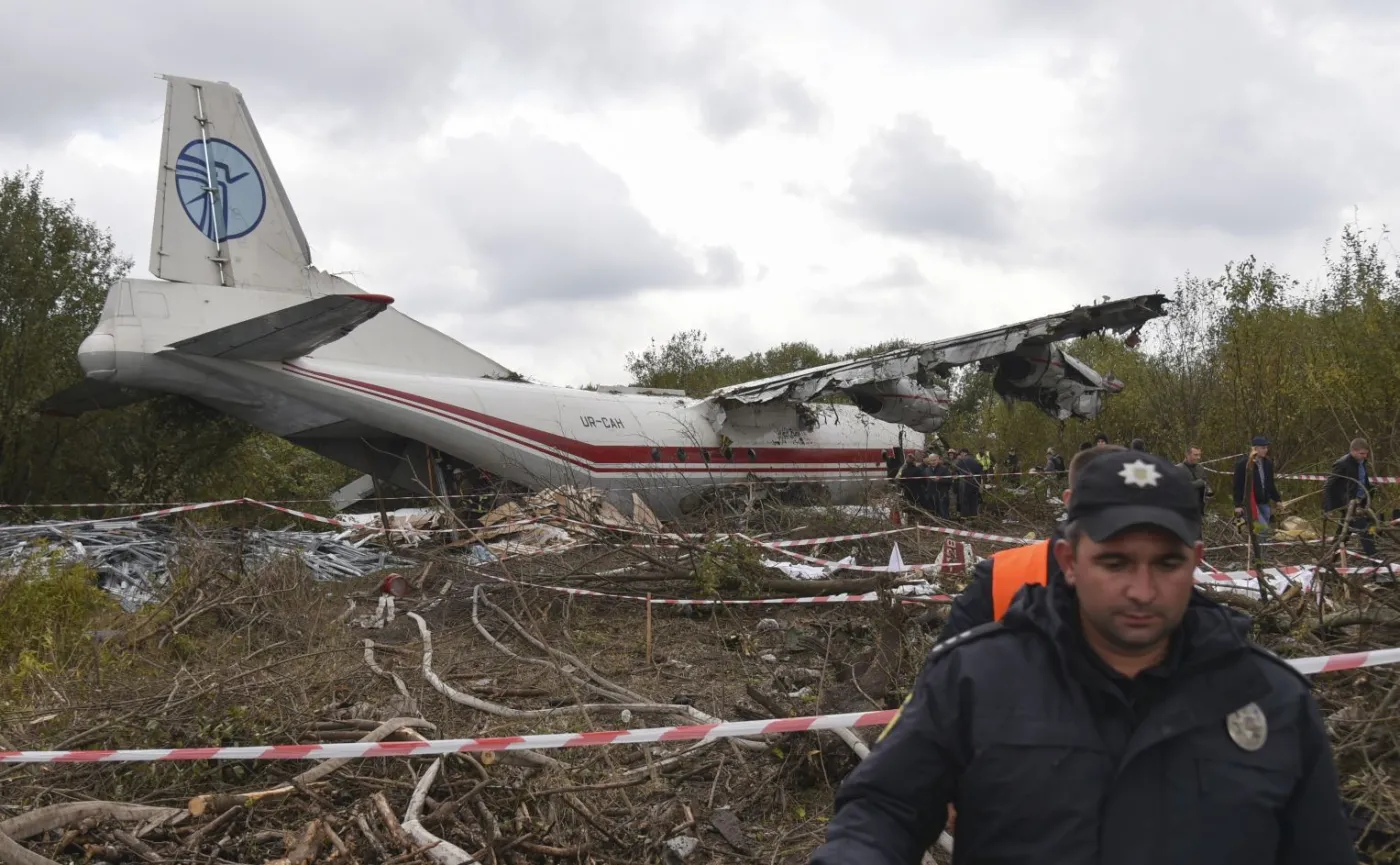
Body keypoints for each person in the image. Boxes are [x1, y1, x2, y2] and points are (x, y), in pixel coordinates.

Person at [810, 450, 1357, 864]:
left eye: (1167, 564)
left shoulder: (1271, 699)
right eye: (1115, 563)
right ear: (1069, 561)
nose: (1142, 590)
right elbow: (884, 809)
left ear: (1197, 561)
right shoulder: (974, 678)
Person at [937, 443, 1125, 640]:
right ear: (1069, 500)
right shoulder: (998, 575)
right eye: (1105, 499)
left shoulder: (1000, 573)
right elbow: (952, 655)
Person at [1323, 437, 1377, 557]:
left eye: (1366, 453)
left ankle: (1330, 559)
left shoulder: (1362, 462)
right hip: (1349, 504)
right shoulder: (1342, 464)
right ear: (1353, 451)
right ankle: (1375, 561)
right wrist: (1328, 508)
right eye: (1362, 453)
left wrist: (1370, 489)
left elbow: (1362, 480)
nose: (1365, 456)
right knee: (1364, 530)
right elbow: (1328, 486)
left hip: (1362, 503)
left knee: (1344, 533)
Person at [1234, 436, 1282, 533]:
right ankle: (1259, 542)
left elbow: (1270, 483)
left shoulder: (1268, 463)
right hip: (1251, 503)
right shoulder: (1244, 463)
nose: (1266, 450)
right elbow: (1238, 485)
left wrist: (1277, 499)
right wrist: (1238, 504)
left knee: (1262, 530)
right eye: (1263, 448)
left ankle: (1260, 543)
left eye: (1266, 448)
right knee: (1263, 529)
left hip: (1264, 502)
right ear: (1255, 449)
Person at [1177, 445, 1212, 515]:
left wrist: (1208, 491)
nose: (1198, 457)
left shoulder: (1200, 468)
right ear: (1187, 454)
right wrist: (1199, 483)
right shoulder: (1178, 469)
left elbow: (1206, 483)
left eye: (1199, 455)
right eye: (1195, 455)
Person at [923, 453, 953, 519]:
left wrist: (939, 480)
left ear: (938, 460)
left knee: (943, 513)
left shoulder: (944, 469)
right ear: (929, 461)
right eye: (931, 460)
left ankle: (946, 523)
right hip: (931, 494)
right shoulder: (926, 470)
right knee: (934, 514)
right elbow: (924, 482)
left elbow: (949, 481)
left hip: (942, 494)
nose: (933, 462)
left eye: (934, 460)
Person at [954, 449, 983, 517]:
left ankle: (965, 516)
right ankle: (974, 516)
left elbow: (956, 468)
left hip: (965, 483)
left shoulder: (962, 461)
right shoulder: (975, 460)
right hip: (975, 483)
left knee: (964, 500)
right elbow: (980, 468)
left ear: (964, 453)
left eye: (960, 454)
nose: (960, 455)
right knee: (974, 500)